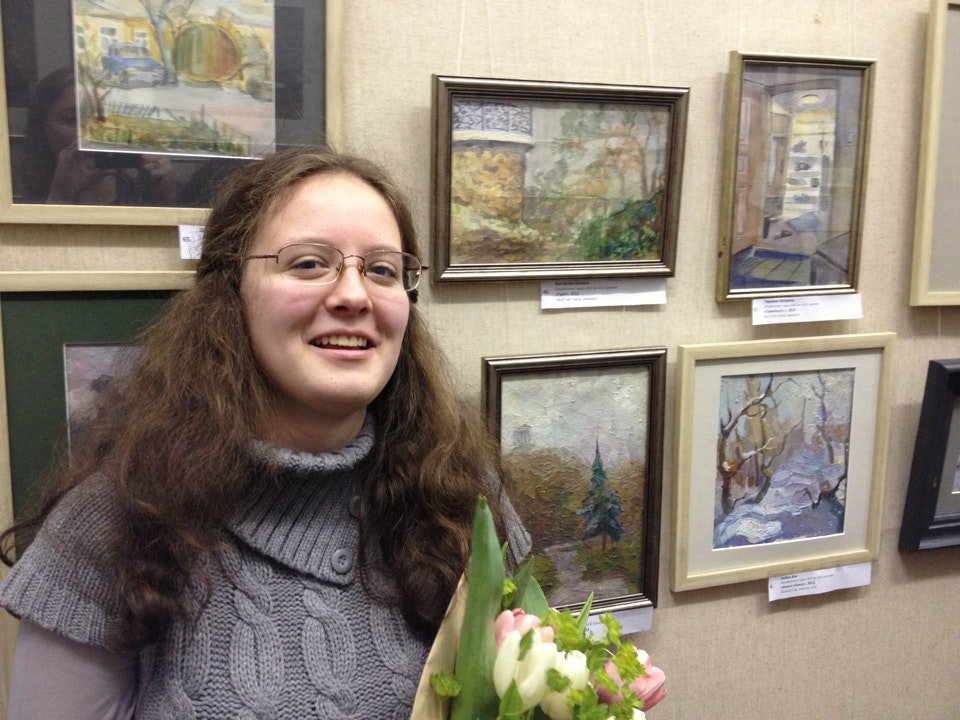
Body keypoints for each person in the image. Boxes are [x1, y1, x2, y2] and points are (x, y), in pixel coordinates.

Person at [0, 146, 530, 718]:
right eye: (308, 263)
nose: (354, 295)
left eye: (382, 270)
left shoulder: (463, 499)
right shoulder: (113, 527)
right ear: (230, 295)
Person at [16, 67, 177, 205]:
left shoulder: (145, 189)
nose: (91, 132)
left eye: (101, 118)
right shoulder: (14, 199)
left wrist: (164, 198)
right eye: (71, 120)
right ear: (42, 127)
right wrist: (60, 197)